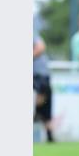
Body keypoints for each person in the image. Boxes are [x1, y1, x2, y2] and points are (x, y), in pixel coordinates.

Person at [33, 13, 54, 142]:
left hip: (40, 76)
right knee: (41, 106)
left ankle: (50, 136)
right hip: (38, 76)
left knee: (44, 106)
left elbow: (41, 47)